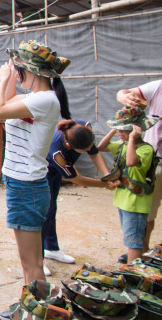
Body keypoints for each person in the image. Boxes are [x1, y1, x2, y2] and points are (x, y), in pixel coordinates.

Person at [0, 40, 71, 289]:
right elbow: (8, 103)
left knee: (32, 264)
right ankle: (32, 309)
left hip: (26, 187)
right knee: (28, 263)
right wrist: (11, 79)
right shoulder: (37, 98)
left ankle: (39, 312)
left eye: (19, 69)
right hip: (23, 184)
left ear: (32, 70)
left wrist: (3, 78)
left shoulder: (44, 100)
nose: (16, 73)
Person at [41, 119, 110, 275]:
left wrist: (107, 176)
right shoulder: (57, 153)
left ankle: (51, 248)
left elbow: (94, 153)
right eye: (83, 150)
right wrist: (104, 185)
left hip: (57, 172)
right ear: (69, 146)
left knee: (52, 210)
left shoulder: (84, 128)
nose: (87, 151)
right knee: (44, 213)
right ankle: (38, 260)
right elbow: (76, 179)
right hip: (44, 173)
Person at [98, 106, 158, 263]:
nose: (120, 133)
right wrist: (114, 130)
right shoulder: (124, 145)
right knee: (130, 238)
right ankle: (134, 268)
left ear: (136, 130)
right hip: (125, 201)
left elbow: (131, 162)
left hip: (136, 203)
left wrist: (131, 139)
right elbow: (101, 147)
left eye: (124, 130)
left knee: (134, 243)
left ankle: (133, 275)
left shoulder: (145, 149)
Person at [117, 80, 162, 260]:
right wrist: (125, 97)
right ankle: (140, 254)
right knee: (146, 214)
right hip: (154, 163)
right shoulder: (158, 87)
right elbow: (122, 92)